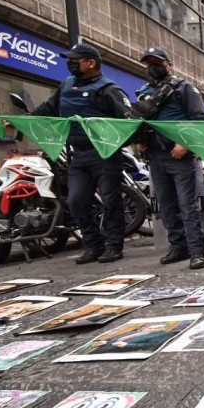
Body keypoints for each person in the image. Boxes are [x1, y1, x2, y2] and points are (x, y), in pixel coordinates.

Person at [29, 43, 132, 264]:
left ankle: (114, 246)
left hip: (104, 155)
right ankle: (94, 245)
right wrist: (23, 121)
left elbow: (128, 123)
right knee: (76, 201)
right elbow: (47, 109)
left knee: (110, 201)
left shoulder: (108, 89)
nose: (70, 63)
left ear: (91, 62)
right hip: (78, 155)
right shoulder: (66, 85)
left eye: (75, 60)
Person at [134, 46, 204, 270]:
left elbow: (199, 119)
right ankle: (178, 247)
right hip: (156, 157)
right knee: (166, 207)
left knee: (188, 206)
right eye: (149, 63)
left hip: (179, 156)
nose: (153, 67)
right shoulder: (144, 91)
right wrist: (140, 143)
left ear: (169, 65)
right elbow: (140, 122)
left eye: (157, 62)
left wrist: (185, 144)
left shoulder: (184, 88)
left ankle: (197, 251)